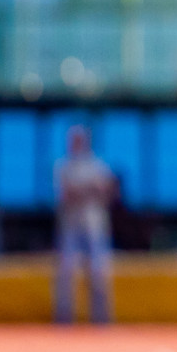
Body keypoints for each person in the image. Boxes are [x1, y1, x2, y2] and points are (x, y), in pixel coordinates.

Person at [54, 125, 116, 323]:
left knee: (99, 272)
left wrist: (82, 191)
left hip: (94, 226)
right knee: (66, 272)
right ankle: (64, 318)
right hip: (71, 226)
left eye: (79, 139)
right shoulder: (64, 166)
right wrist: (90, 189)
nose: (76, 143)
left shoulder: (98, 165)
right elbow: (66, 195)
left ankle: (101, 319)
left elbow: (108, 192)